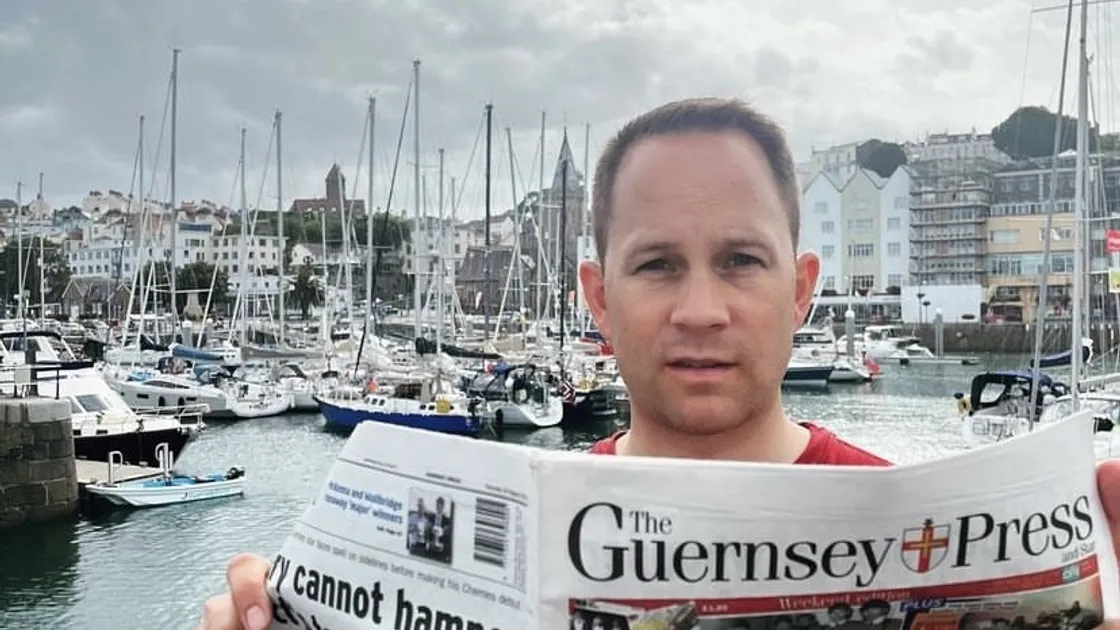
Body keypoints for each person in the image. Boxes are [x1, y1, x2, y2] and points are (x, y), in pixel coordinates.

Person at [193, 97, 1120, 630]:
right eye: (658, 264)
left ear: (802, 289)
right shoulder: (505, 516)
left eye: (741, 260)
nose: (702, 310)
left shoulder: (925, 544)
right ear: (599, 298)